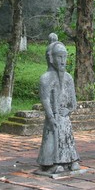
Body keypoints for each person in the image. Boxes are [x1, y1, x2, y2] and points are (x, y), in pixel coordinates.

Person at [37, 33, 80, 174]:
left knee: (67, 137)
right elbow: (44, 99)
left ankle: (70, 160)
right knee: (51, 138)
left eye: (64, 57)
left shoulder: (68, 78)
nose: (62, 61)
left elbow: (73, 102)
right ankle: (50, 163)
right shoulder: (46, 78)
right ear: (51, 58)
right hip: (53, 116)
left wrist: (68, 110)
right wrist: (50, 116)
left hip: (64, 116)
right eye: (59, 57)